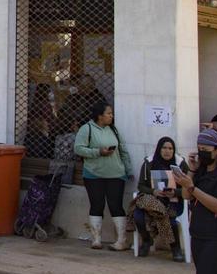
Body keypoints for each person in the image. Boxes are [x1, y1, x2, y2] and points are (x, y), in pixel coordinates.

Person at [173, 129, 217, 274]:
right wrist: (191, 171)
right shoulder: (202, 171)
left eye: (206, 149)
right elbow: (186, 196)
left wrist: (192, 188)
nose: (202, 152)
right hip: (200, 234)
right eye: (200, 149)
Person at [75, 101, 131, 251]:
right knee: (97, 205)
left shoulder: (114, 130)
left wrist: (128, 169)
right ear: (100, 116)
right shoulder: (86, 129)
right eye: (109, 113)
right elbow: (78, 149)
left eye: (111, 113)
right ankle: (96, 239)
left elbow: (123, 150)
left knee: (116, 206)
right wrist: (98, 152)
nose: (111, 116)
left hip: (116, 174)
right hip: (94, 174)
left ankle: (121, 240)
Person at [132, 137, 188, 261]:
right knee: (138, 216)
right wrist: (154, 191)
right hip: (152, 201)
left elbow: (189, 187)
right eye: (164, 148)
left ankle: (175, 248)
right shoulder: (149, 163)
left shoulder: (180, 164)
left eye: (170, 148)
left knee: (170, 219)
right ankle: (147, 240)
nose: (167, 151)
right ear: (159, 149)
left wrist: (175, 192)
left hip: (173, 202)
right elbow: (141, 186)